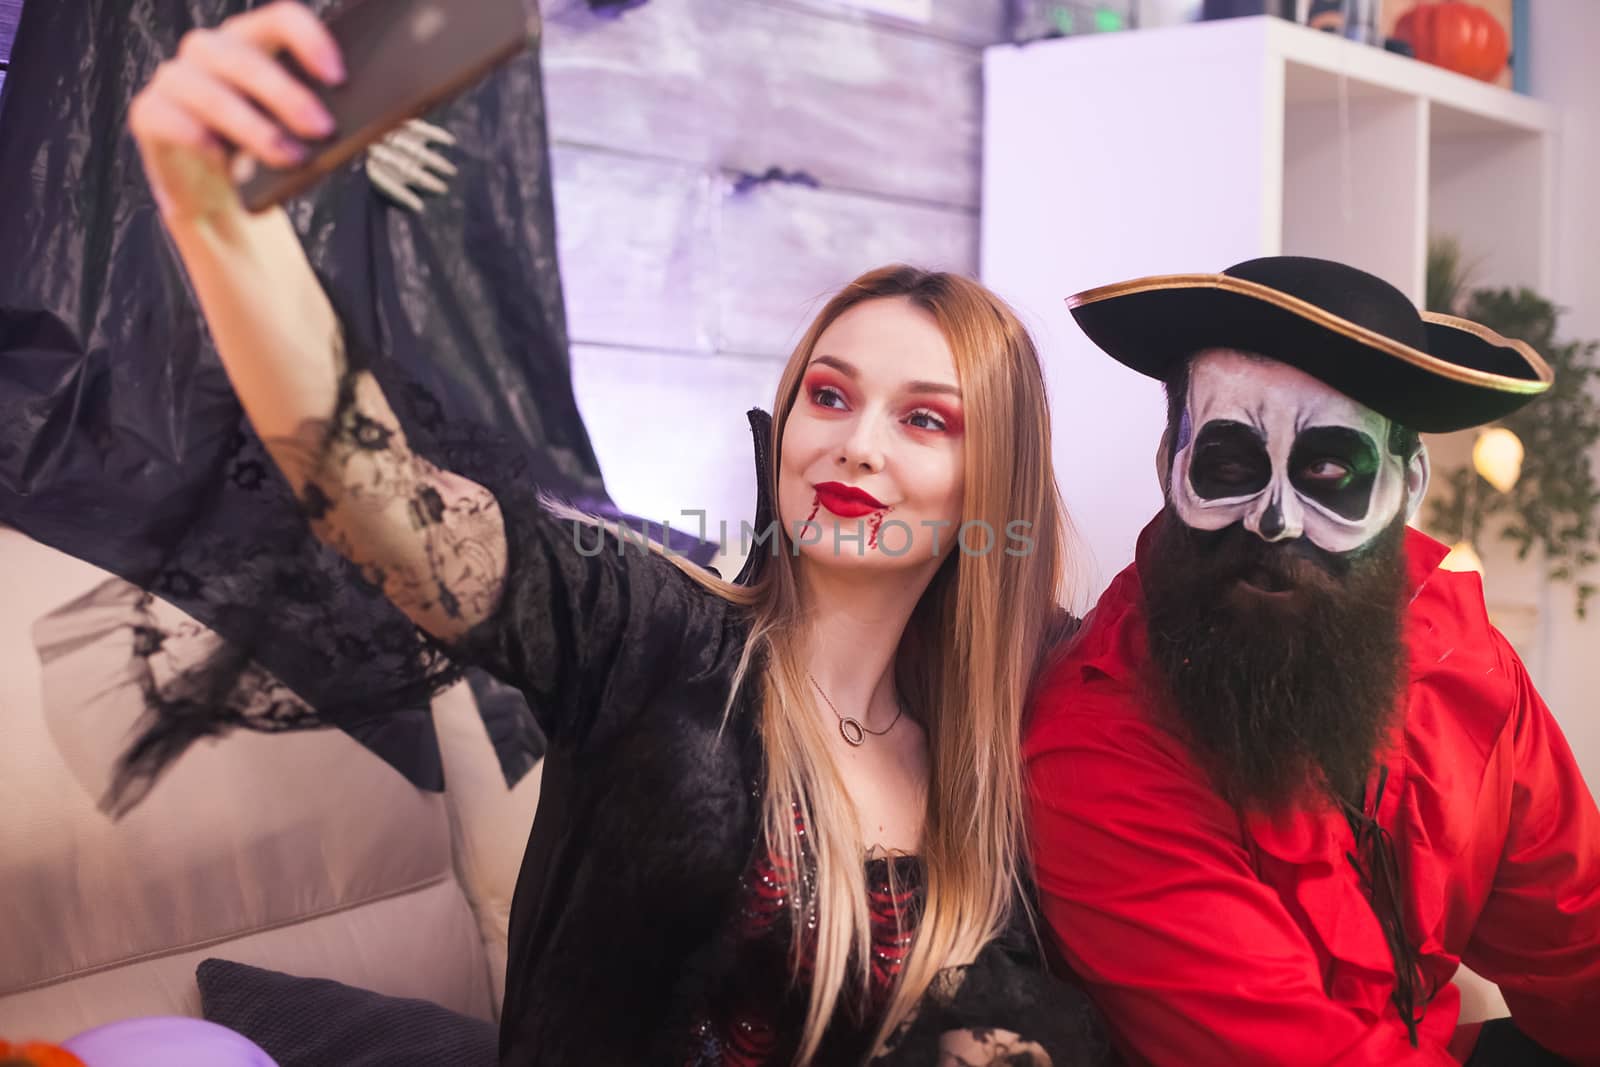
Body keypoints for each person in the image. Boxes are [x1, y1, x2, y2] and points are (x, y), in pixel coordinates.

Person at [125, 5, 1110, 1064]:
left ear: (988, 477)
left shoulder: (994, 755)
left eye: (923, 418)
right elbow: (384, 502)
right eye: (828, 395)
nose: (854, 444)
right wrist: (220, 220)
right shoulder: (648, 627)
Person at [1025, 255, 1600, 1066]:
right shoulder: (1093, 741)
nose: (1275, 519)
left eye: (1330, 469)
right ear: (1171, 467)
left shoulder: (1459, 654)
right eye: (1232, 463)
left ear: (1407, 485)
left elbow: (1578, 941)